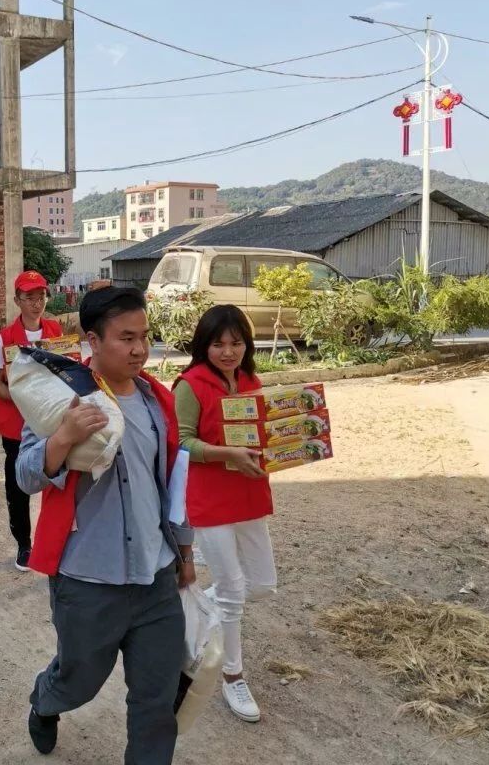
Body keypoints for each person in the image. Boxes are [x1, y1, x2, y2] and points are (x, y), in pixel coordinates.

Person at [16, 286, 196, 764]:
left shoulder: (158, 400)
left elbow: (171, 483)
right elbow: (26, 474)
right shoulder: (63, 396)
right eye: (126, 338)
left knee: (157, 701)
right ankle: (46, 699)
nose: (139, 349)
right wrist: (64, 438)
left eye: (145, 336)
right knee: (80, 681)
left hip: (155, 575)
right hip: (89, 579)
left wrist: (184, 552)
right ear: (93, 341)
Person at [172, 304, 277, 724]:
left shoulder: (252, 380)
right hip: (212, 499)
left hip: (250, 492)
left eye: (236, 343)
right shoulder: (190, 384)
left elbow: (265, 432)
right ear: (204, 345)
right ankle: (233, 675)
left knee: (263, 583)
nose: (228, 351)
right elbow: (182, 443)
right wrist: (226, 453)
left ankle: (200, 608)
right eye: (219, 344)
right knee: (234, 589)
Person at [0, 271, 63, 571]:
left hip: (53, 422)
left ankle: (54, 541)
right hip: (16, 426)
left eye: (41, 296)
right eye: (29, 297)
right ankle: (23, 543)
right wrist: (23, 400)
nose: (36, 303)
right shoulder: (5, 338)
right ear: (17, 300)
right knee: (19, 487)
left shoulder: (56, 331)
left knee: (57, 483)